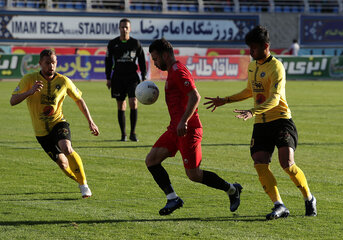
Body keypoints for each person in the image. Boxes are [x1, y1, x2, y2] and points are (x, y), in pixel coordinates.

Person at [204, 26, 317, 220]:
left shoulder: (277, 67)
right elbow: (250, 91)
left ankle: (309, 198)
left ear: (266, 46)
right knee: (260, 162)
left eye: (253, 48)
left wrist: (252, 111)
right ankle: (279, 205)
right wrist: (226, 100)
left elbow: (274, 98)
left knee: (287, 164)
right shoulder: (252, 65)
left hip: (281, 120)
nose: (250, 52)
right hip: (261, 123)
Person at [146, 38, 242, 216]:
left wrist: (184, 121)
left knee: (194, 175)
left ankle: (232, 190)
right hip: (175, 129)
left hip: (188, 130)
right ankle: (172, 198)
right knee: (151, 161)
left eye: (156, 58)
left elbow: (195, 96)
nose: (155, 63)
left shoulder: (178, 71)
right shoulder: (172, 72)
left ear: (165, 55)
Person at [10, 49, 99, 198]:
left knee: (67, 148)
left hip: (58, 122)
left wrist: (91, 122)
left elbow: (79, 100)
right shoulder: (29, 79)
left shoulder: (63, 81)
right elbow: (13, 101)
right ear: (40, 63)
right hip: (41, 132)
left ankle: (84, 185)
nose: (51, 66)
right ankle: (79, 181)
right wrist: (29, 92)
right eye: (47, 63)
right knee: (63, 164)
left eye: (53, 63)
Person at [105, 18, 147, 142]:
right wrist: (108, 77)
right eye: (122, 27)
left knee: (133, 102)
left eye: (126, 27)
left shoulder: (135, 43)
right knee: (121, 105)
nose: (124, 29)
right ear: (119, 28)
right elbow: (108, 61)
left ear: (130, 29)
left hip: (132, 77)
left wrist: (143, 76)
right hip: (117, 77)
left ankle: (133, 133)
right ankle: (123, 134)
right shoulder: (112, 43)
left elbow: (142, 61)